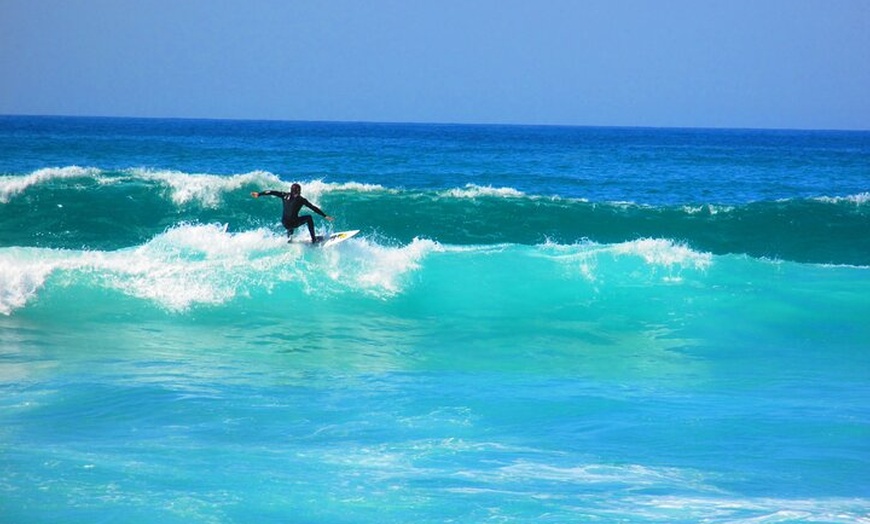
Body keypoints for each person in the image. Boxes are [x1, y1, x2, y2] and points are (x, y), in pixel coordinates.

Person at [251, 183, 334, 243]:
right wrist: (325, 216)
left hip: (284, 222)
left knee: (290, 221)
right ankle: (313, 239)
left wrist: (259, 194)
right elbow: (313, 208)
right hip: (292, 223)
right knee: (309, 218)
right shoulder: (301, 199)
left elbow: (271, 192)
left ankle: (289, 239)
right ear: (298, 191)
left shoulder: (284, 195)